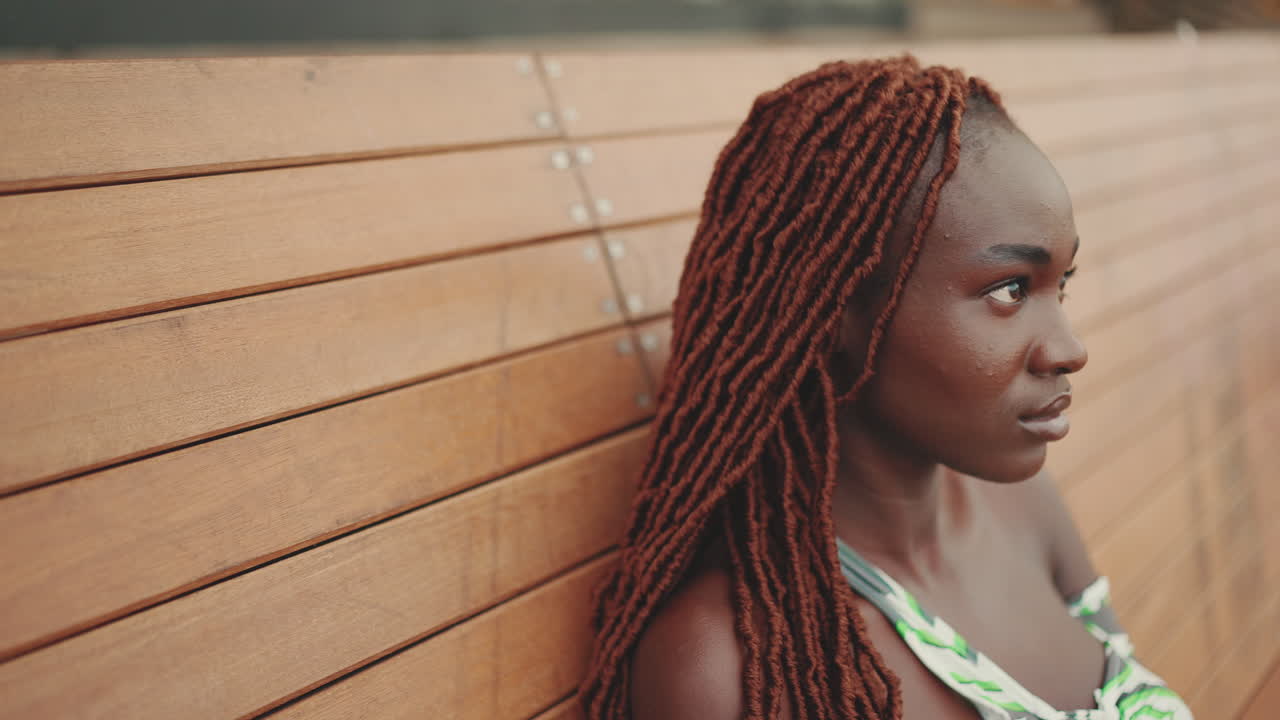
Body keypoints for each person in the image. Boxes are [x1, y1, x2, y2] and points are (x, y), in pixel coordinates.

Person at [578, 56, 1194, 720]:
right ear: (834, 310)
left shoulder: (1022, 511)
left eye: (1060, 285)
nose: (1069, 349)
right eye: (1011, 289)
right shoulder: (731, 667)